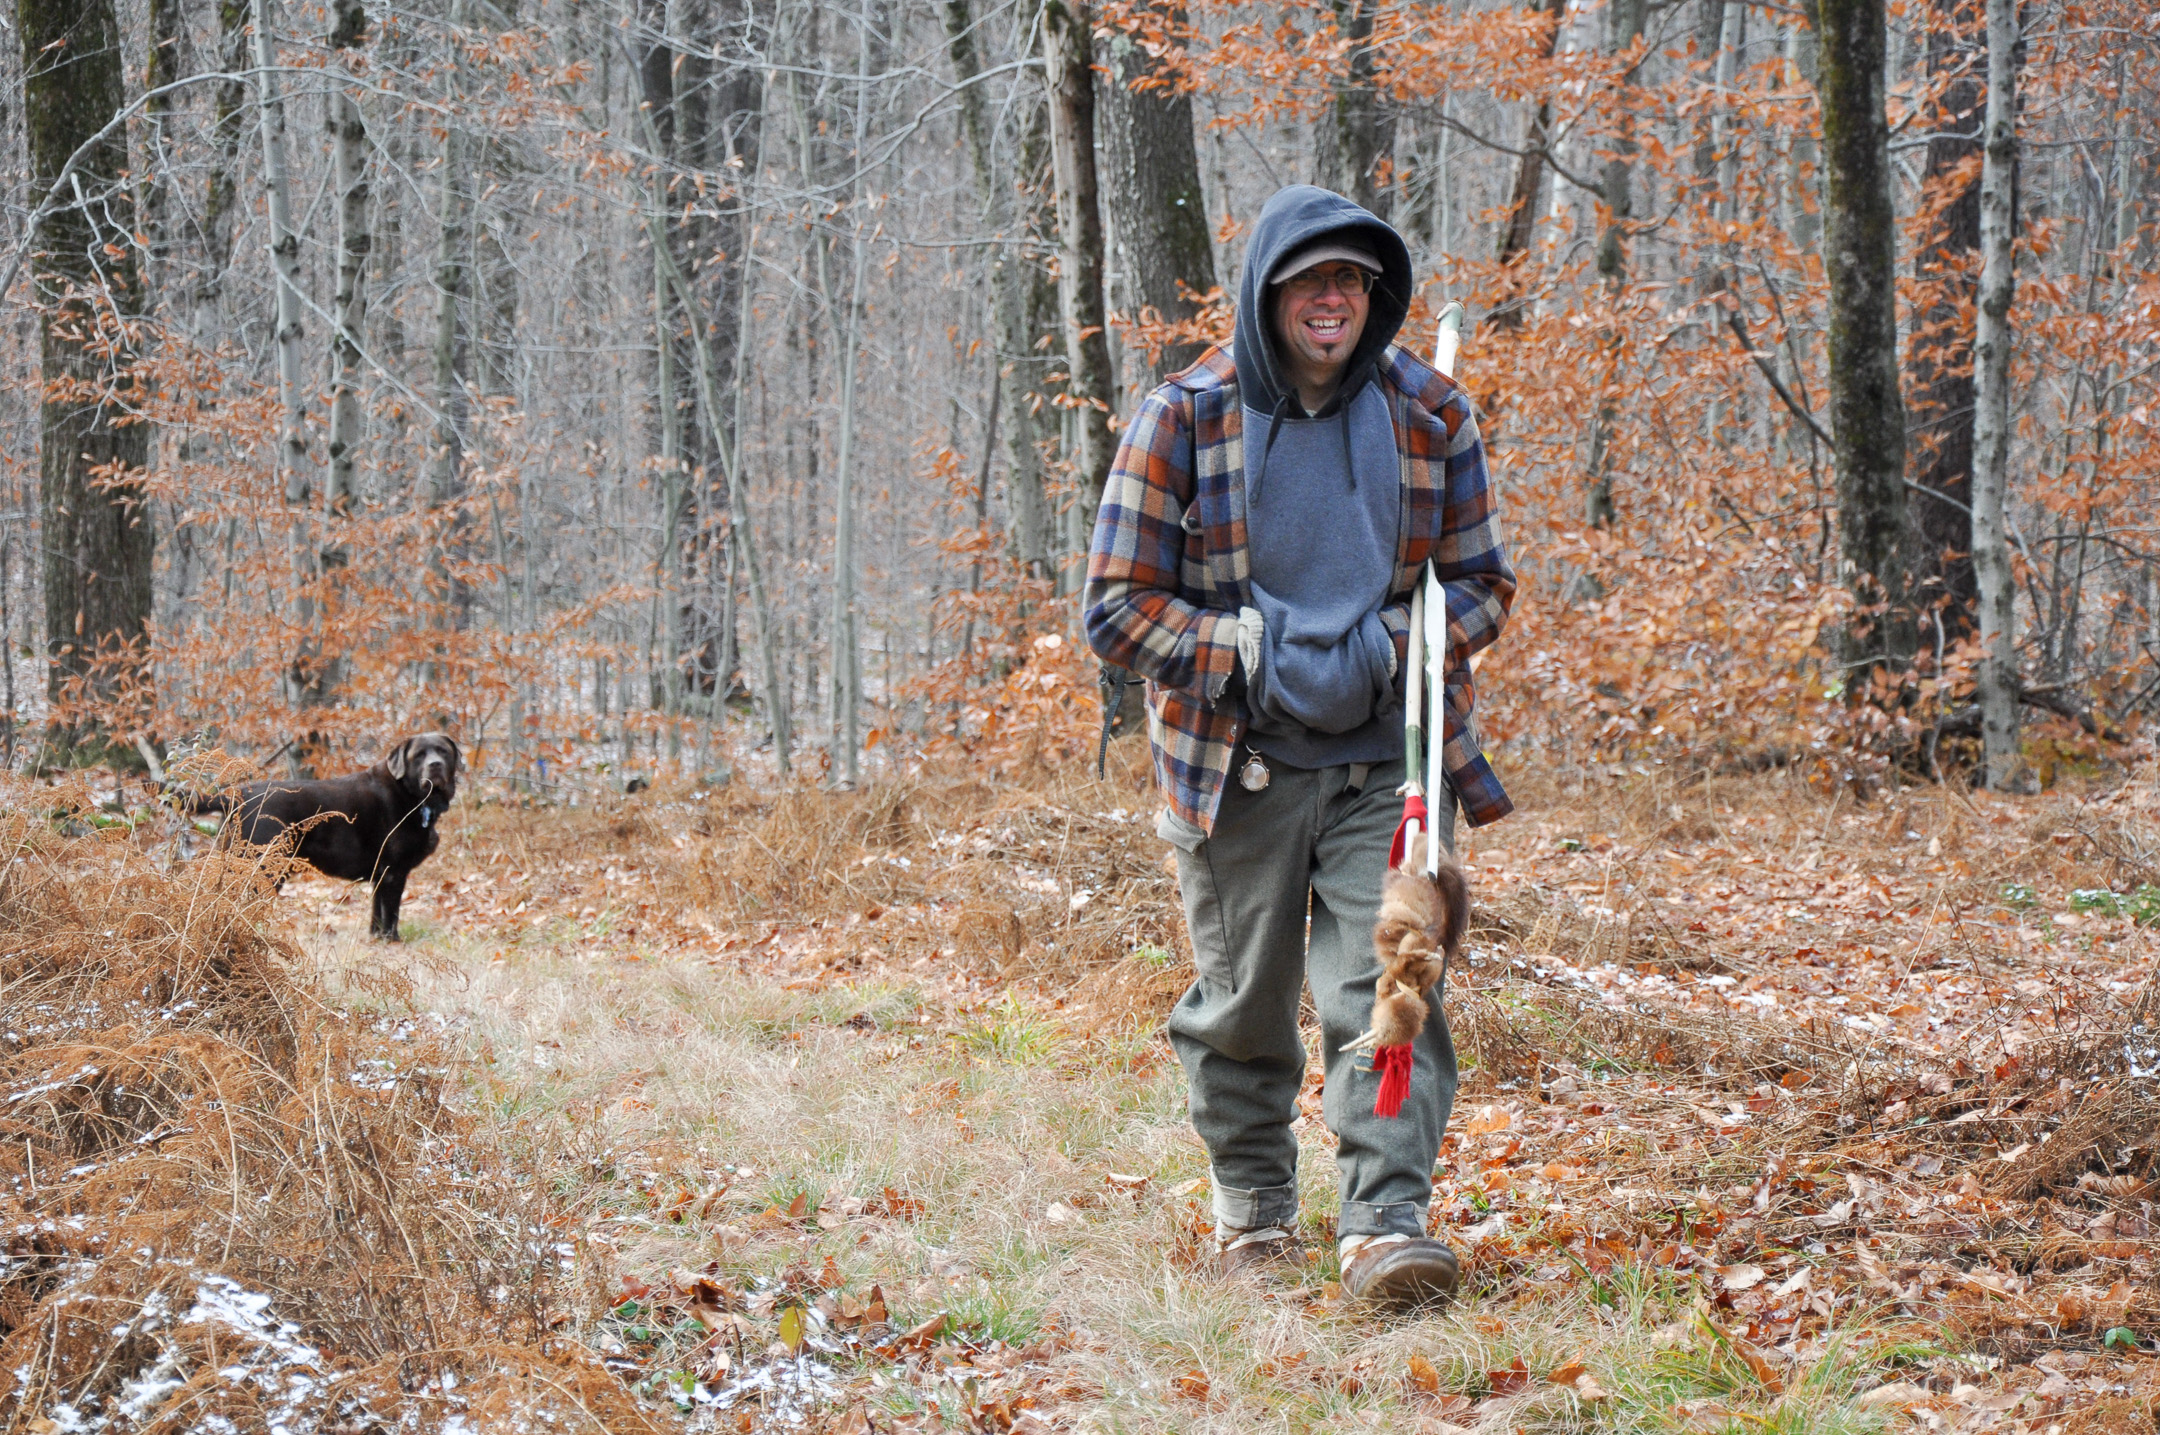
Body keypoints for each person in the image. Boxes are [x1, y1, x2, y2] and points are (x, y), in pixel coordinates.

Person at [1082, 185, 1516, 1310]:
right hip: (1240, 766)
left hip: (1390, 762)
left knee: (1389, 993)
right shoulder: (1183, 417)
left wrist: (1394, 644)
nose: (1334, 300)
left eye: (1354, 282)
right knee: (1243, 1005)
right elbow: (1116, 611)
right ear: (1269, 293)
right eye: (1312, 281)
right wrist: (1241, 648)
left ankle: (1384, 1225)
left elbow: (1480, 585)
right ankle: (1255, 1214)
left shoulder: (1431, 413)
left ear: (1375, 298)